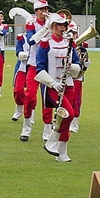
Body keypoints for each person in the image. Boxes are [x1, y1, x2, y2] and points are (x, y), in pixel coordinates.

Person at [35, 12, 83, 162]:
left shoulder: (70, 43)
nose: (63, 28)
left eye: (64, 25)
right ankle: (52, 141)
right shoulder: (45, 43)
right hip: (52, 86)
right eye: (60, 25)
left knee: (69, 116)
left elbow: (78, 65)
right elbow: (39, 68)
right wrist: (53, 84)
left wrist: (72, 66)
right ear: (53, 26)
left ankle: (61, 152)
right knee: (66, 114)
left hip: (68, 84)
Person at [22, 0, 50, 142]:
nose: (45, 12)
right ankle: (26, 128)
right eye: (42, 10)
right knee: (30, 96)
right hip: (33, 64)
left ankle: (47, 131)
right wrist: (47, 28)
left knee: (48, 100)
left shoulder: (53, 23)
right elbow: (31, 40)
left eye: (46, 9)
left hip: (48, 66)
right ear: (36, 11)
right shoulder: (31, 24)